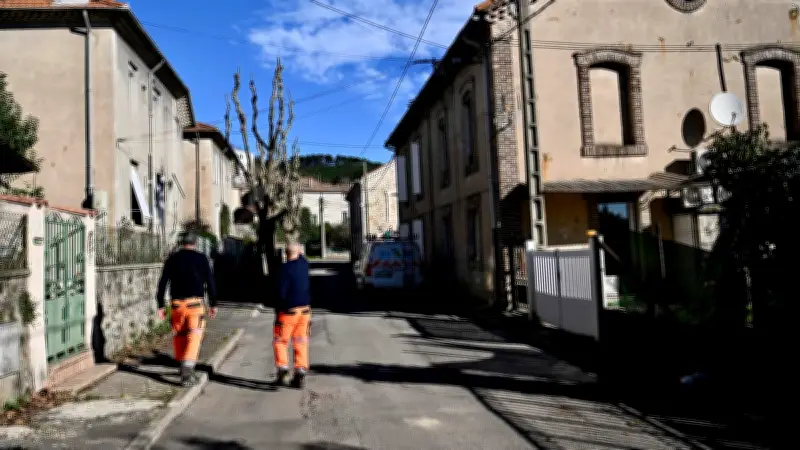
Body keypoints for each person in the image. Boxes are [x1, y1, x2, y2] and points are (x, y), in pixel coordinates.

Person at [156, 231, 218, 386]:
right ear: (195, 243)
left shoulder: (172, 259)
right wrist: (213, 303)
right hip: (194, 305)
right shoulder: (201, 259)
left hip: (176, 304)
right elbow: (210, 281)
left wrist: (160, 305)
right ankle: (187, 370)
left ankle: (181, 363)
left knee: (180, 335)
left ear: (182, 243)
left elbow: (163, 282)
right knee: (194, 336)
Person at [273, 241, 311, 388]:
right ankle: (300, 370)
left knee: (280, 341)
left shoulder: (284, 269)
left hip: (288, 311)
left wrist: (278, 310)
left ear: (285, 254)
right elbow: (302, 257)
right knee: (301, 340)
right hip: (305, 311)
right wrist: (299, 250)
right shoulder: (304, 266)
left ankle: (282, 369)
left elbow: (280, 293)